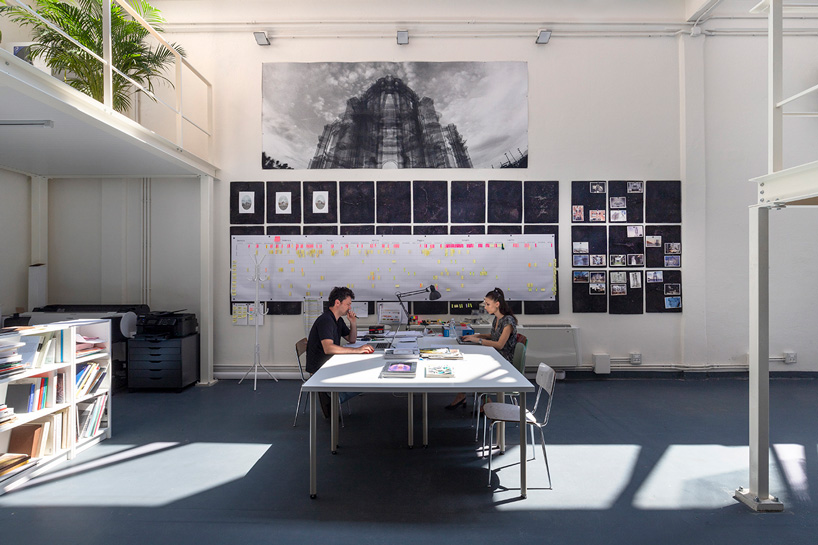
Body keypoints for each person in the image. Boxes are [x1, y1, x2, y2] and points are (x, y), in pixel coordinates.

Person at [307, 286, 374, 418]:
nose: (349, 308)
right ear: (338, 303)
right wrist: (357, 351)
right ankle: (334, 397)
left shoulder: (338, 320)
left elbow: (351, 339)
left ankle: (334, 397)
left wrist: (353, 323)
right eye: (348, 304)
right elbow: (329, 348)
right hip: (320, 367)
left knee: (364, 372)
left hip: (330, 362)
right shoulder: (326, 320)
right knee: (364, 376)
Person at [446, 287, 517, 409]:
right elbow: (494, 336)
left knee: (474, 367)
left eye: (488, 304)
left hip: (503, 360)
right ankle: (467, 396)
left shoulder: (508, 321)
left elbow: (500, 344)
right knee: (466, 361)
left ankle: (484, 401)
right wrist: (476, 335)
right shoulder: (497, 318)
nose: (485, 307)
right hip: (494, 355)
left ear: (497, 304)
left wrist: (478, 340)